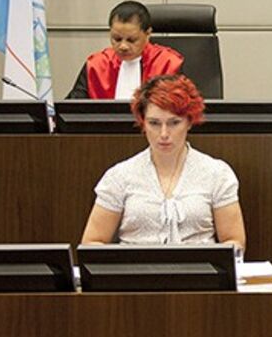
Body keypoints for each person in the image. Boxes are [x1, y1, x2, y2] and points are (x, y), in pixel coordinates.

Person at [80, 75, 246, 251]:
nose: (164, 134)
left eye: (174, 123)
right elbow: (92, 243)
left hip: (200, 267)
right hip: (136, 267)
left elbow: (234, 241)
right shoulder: (119, 176)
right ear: (143, 123)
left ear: (190, 122)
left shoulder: (217, 173)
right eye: (154, 123)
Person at [66, 1, 183, 99]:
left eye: (131, 40)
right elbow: (73, 110)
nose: (123, 46)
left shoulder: (168, 64)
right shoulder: (96, 65)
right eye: (117, 39)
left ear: (148, 34)